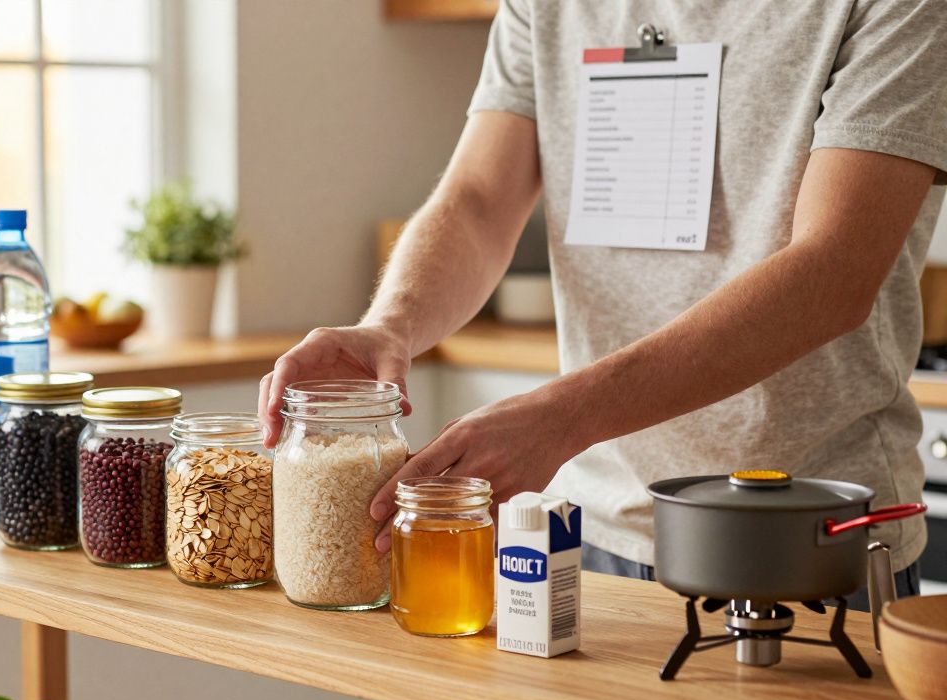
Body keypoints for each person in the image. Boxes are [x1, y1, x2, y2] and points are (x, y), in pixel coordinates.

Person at [258, 0, 947, 607]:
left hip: (808, 537)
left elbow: (832, 272)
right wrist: (390, 325)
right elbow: (477, 199)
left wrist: (563, 417)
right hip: (589, 528)